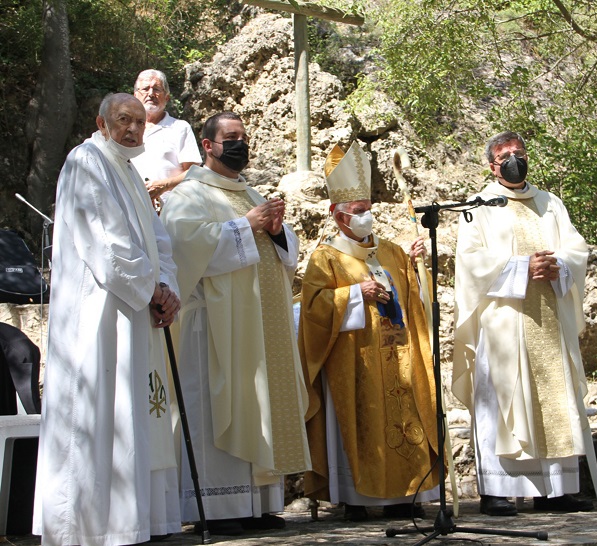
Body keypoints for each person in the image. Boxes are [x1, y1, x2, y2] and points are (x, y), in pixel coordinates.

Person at [32, 93, 182, 546]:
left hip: (137, 312)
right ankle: (90, 526)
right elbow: (106, 242)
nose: (132, 129)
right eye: (122, 120)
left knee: (133, 413)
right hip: (98, 315)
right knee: (101, 410)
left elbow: (159, 241)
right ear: (101, 122)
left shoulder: (132, 172)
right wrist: (151, 288)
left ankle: (137, 522)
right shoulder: (86, 162)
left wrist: (168, 289)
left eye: (138, 122)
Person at [160, 112, 311, 535]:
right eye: (231, 138)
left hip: (261, 326)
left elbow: (287, 254)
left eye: (244, 137)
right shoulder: (188, 195)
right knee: (217, 409)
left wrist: (278, 232)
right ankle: (220, 508)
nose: (241, 144)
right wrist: (246, 225)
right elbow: (184, 248)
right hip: (214, 327)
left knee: (260, 405)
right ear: (207, 146)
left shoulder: (250, 191)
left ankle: (259, 504)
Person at [452, 131, 594, 516]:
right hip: (504, 324)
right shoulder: (478, 206)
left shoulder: (551, 203)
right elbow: (468, 261)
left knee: (553, 397)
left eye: (520, 153)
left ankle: (556, 489)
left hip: (549, 317)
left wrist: (559, 265)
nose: (515, 159)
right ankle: (498, 490)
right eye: (505, 155)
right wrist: (520, 266)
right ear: (492, 165)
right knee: (501, 402)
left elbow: (576, 248)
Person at [299, 141, 440, 521]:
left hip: (399, 356)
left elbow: (417, 300)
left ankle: (405, 496)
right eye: (357, 212)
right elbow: (312, 310)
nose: (365, 217)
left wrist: (417, 267)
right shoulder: (325, 257)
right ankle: (356, 499)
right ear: (337, 215)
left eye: (368, 210)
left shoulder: (392, 251)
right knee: (362, 420)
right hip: (354, 362)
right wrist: (355, 294)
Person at [131, 69, 202, 201]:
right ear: (136, 96)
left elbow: (195, 173)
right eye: (145, 89)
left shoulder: (180, 128)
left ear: (167, 97)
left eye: (157, 89)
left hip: (172, 210)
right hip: (133, 208)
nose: (151, 94)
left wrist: (164, 186)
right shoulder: (127, 130)